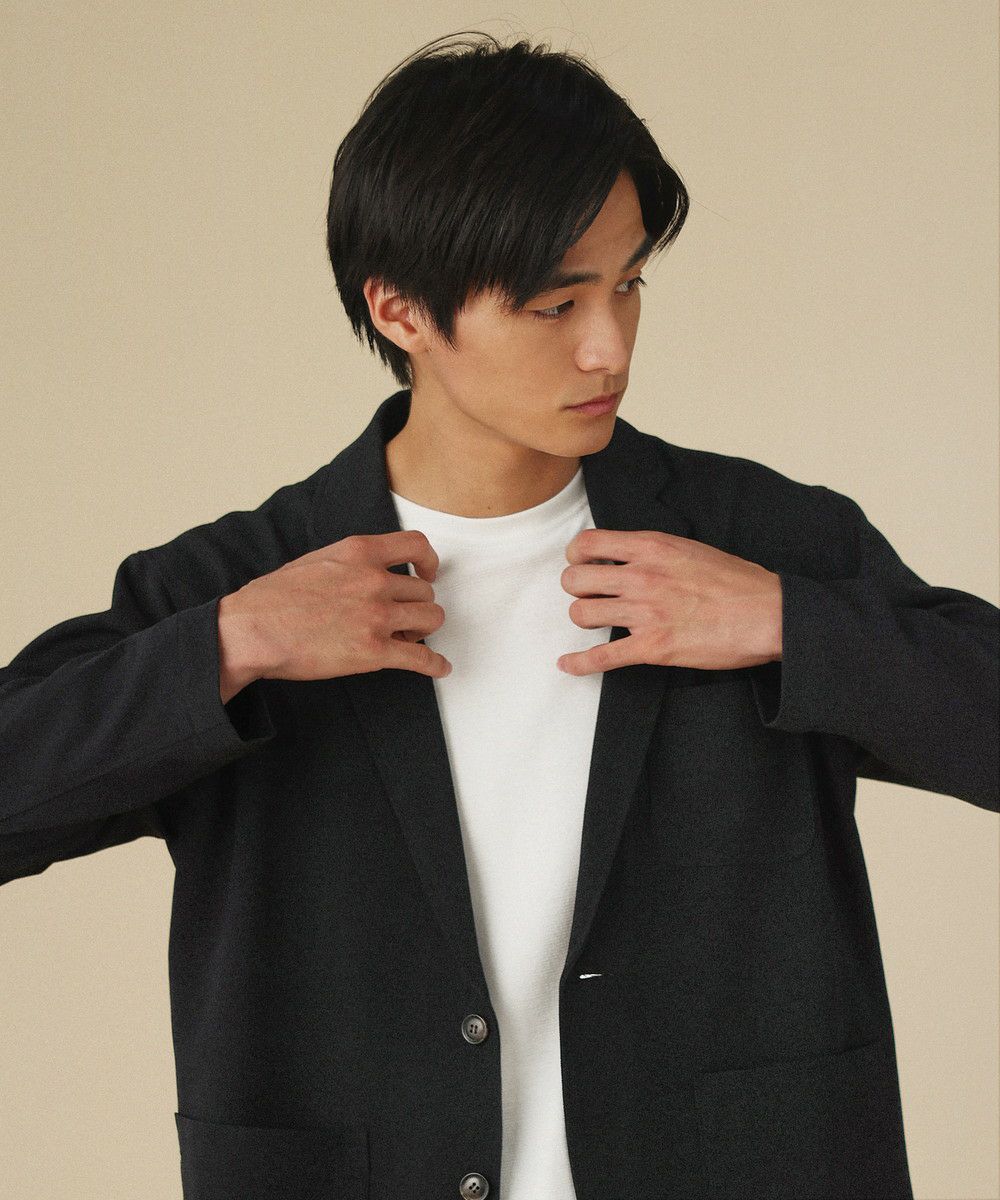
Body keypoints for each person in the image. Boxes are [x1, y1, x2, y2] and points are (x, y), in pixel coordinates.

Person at [2, 30, 997, 1200]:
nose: (608, 345)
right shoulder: (245, 584)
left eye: (627, 284)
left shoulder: (759, 540)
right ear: (400, 310)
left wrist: (794, 624)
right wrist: (229, 648)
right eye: (553, 302)